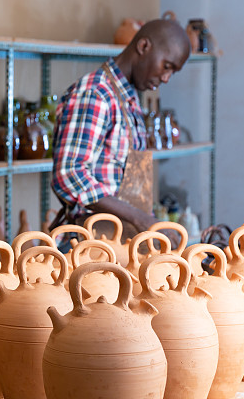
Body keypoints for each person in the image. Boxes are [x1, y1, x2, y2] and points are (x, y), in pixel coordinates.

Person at [51, 19, 191, 239]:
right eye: (167, 66)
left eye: (173, 72)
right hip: (95, 243)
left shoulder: (129, 99)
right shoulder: (95, 93)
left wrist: (150, 222)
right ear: (144, 47)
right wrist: (141, 219)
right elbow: (69, 175)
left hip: (125, 241)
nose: (166, 78)